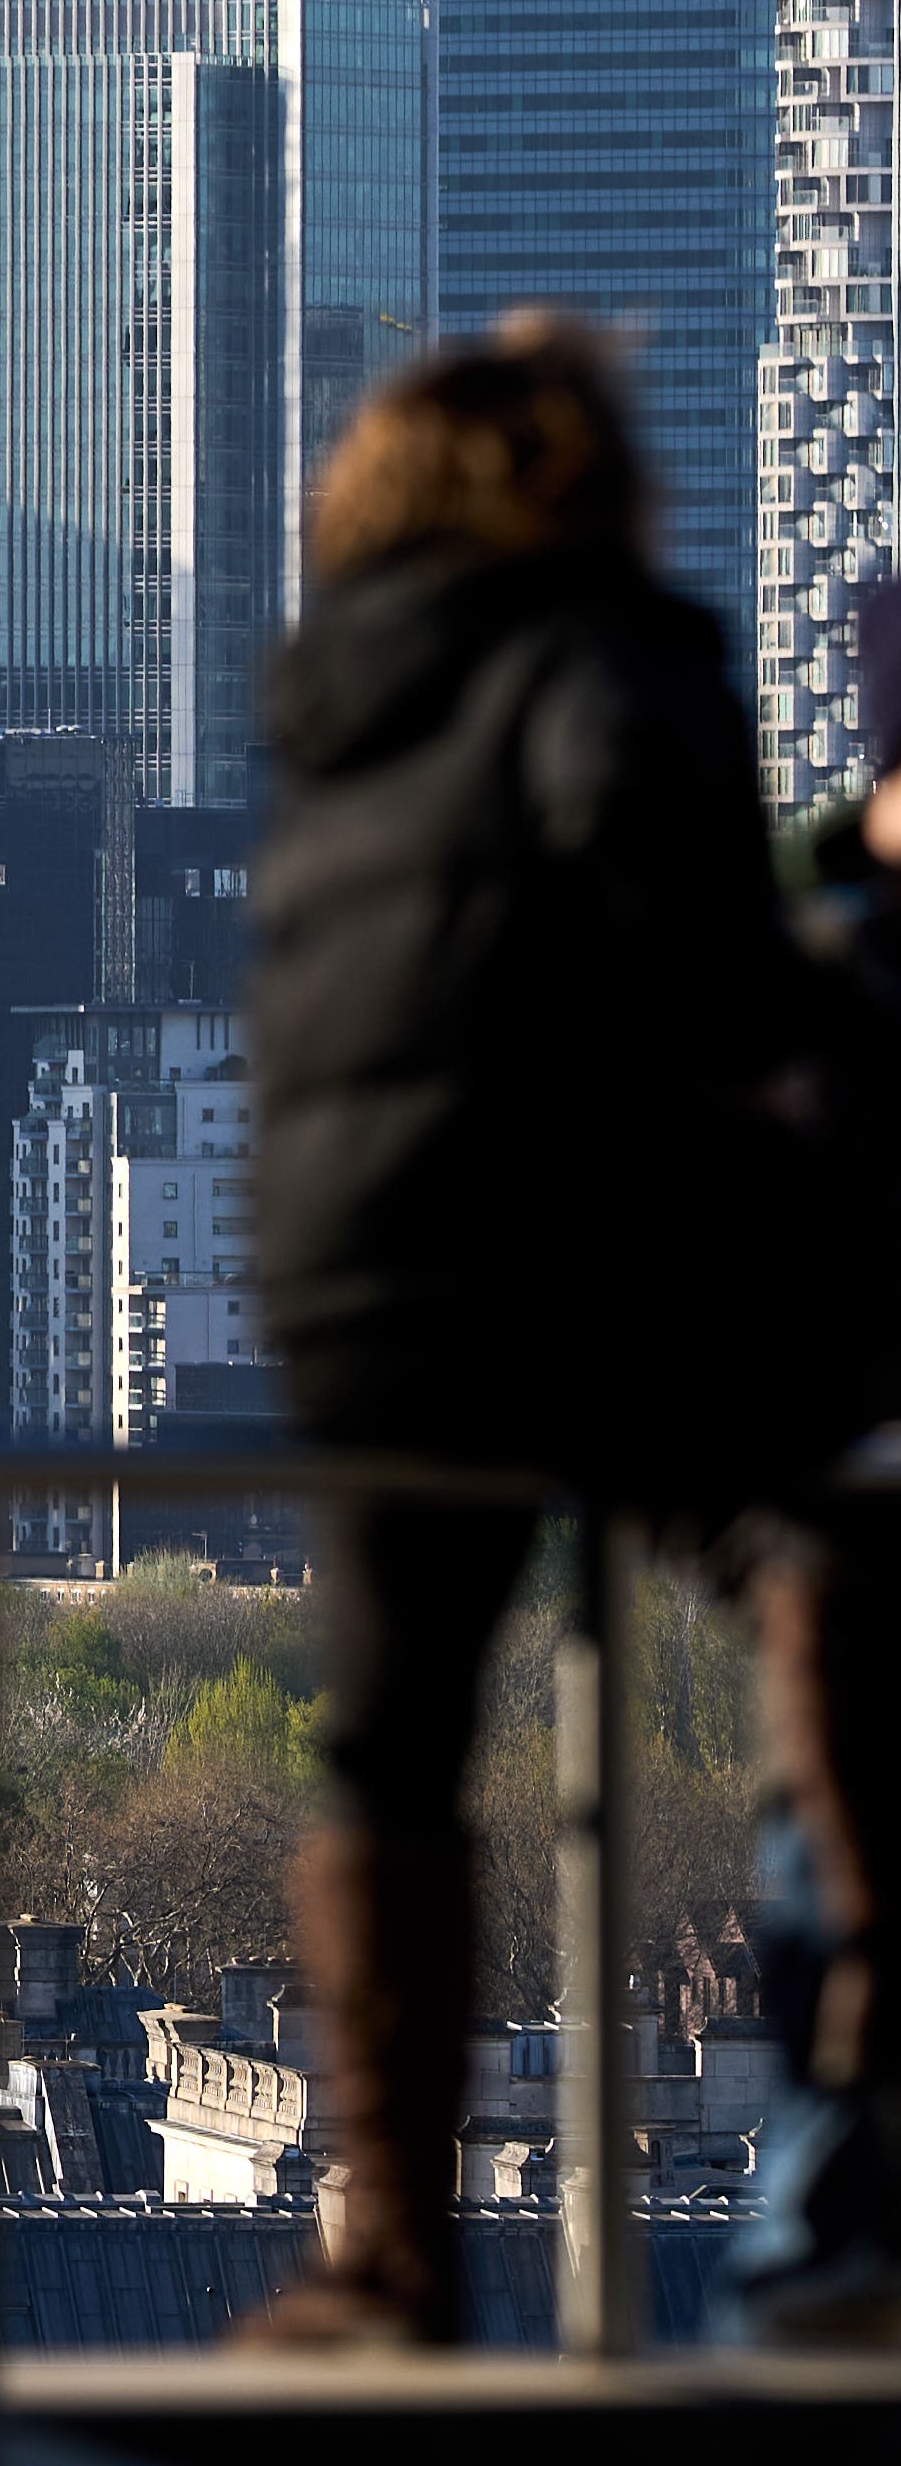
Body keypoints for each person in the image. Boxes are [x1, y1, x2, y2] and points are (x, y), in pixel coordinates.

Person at [247, 318, 898, 2344]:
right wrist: (798, 1033)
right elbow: (672, 911)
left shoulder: (335, 697)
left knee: (388, 1744)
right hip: (556, 1257)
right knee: (832, 1554)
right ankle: (862, 2125)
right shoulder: (603, 648)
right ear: (561, 486)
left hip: (345, 1287)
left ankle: (387, 2251)